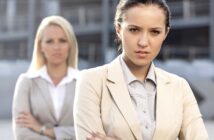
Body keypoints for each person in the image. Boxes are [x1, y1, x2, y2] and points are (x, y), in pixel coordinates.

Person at [73, 0, 209, 140]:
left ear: (165, 33)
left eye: (155, 32)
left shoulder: (179, 87)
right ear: (118, 29)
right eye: (134, 30)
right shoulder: (91, 81)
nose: (143, 42)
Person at [12, 15, 78, 140]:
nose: (56, 47)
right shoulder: (26, 82)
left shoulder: (83, 81)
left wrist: (44, 130)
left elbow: (89, 130)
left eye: (62, 40)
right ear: (40, 46)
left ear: (70, 45)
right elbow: (22, 133)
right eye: (49, 41)